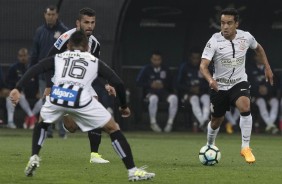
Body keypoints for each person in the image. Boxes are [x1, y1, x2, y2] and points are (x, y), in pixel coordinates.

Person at [9, 30, 155, 181]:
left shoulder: (59, 57)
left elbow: (35, 69)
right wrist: (124, 105)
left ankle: (34, 156)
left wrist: (17, 88)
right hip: (80, 99)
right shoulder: (92, 60)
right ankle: (132, 171)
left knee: (43, 123)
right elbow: (118, 82)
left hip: (57, 95)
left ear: (69, 45)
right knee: (113, 128)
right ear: (87, 47)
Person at [200, 8, 274, 164]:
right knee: (216, 121)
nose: (225, 27)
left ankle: (245, 147)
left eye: (229, 23)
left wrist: (267, 67)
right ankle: (209, 145)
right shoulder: (214, 40)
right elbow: (203, 66)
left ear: (236, 24)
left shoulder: (246, 37)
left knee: (245, 106)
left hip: (239, 82)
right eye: (222, 23)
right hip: (219, 86)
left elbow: (259, 49)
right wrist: (210, 80)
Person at [45, 7, 115, 163]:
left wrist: (107, 84)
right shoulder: (65, 37)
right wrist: (49, 86)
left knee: (95, 109)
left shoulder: (95, 44)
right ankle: (65, 112)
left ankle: (94, 155)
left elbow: (96, 67)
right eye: (86, 22)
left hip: (84, 83)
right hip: (62, 81)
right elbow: (49, 59)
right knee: (71, 128)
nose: (89, 26)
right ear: (78, 23)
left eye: (92, 22)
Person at [30, 5, 69, 138]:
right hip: (43, 74)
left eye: (53, 14)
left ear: (57, 15)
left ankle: (63, 131)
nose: (50, 17)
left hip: (60, 74)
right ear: (45, 15)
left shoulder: (64, 31)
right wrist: (32, 70)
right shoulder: (40, 31)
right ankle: (48, 131)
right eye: (48, 14)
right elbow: (34, 53)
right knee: (45, 102)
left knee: (61, 102)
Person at [136, 50, 178, 133]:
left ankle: (170, 123)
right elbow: (138, 82)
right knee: (153, 98)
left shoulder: (166, 69)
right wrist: (150, 84)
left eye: (158, 59)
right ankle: (153, 122)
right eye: (154, 59)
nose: (156, 61)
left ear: (161, 60)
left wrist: (163, 85)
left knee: (174, 98)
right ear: (151, 59)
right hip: (150, 93)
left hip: (163, 92)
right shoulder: (146, 69)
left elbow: (172, 83)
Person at [5, 48, 41, 129]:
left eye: (25, 56)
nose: (23, 58)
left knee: (45, 99)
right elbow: (8, 81)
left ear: (28, 56)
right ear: (18, 57)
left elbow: (39, 81)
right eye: (21, 56)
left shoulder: (33, 68)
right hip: (20, 94)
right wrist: (14, 89)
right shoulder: (13, 68)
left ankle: (30, 117)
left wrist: (39, 91)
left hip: (34, 94)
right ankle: (10, 122)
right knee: (11, 98)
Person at [176, 47, 210, 132]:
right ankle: (203, 123)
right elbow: (178, 84)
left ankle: (204, 120)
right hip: (188, 94)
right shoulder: (184, 67)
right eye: (193, 58)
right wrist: (190, 89)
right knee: (194, 99)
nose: (195, 60)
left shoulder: (203, 67)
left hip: (201, 92)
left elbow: (209, 82)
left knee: (206, 98)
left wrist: (200, 88)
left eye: (197, 58)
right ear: (190, 58)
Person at [247, 54, 279, 134]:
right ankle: (271, 125)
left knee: (275, 101)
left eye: (262, 56)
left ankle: (269, 125)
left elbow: (275, 84)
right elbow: (248, 84)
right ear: (255, 57)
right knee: (261, 102)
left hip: (268, 96)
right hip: (255, 97)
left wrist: (267, 89)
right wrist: (258, 89)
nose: (261, 58)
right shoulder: (250, 69)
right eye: (259, 56)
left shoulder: (268, 68)